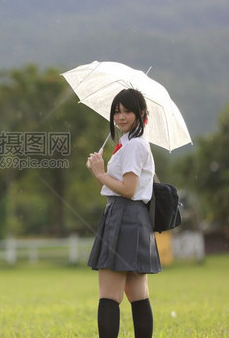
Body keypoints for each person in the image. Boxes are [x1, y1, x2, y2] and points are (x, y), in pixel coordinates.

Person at [86, 88, 161, 338]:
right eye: (116, 111)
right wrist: (99, 173)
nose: (120, 117)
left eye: (127, 111)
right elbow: (116, 188)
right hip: (131, 217)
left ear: (141, 113)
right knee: (137, 293)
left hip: (124, 217)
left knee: (109, 294)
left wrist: (99, 173)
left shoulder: (134, 146)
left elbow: (128, 190)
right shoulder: (128, 143)